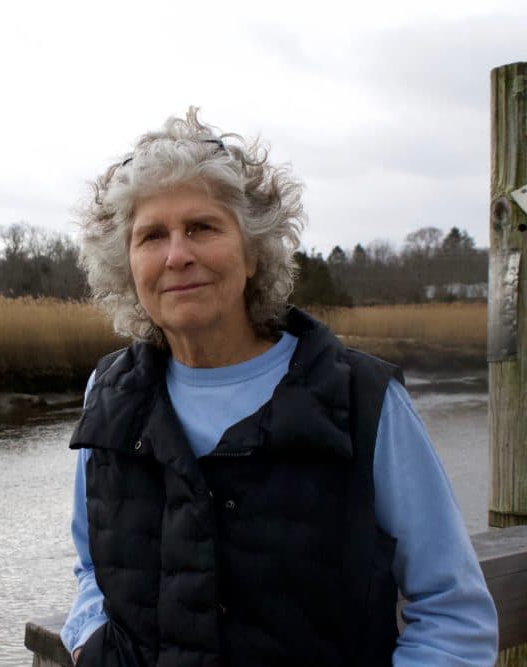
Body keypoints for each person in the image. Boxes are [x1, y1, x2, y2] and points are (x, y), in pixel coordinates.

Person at [61, 108, 498, 666]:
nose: (177, 255)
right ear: (127, 266)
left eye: (202, 227)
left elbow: (452, 613)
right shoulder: (109, 392)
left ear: (252, 253)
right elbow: (93, 568)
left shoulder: (364, 400)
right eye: (152, 236)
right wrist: (88, 643)